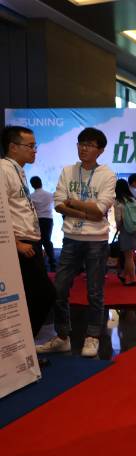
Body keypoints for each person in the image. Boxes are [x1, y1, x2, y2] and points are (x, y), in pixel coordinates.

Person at [36, 127, 116, 358]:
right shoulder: (68, 171)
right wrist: (86, 212)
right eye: (81, 143)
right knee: (59, 288)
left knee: (94, 291)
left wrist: (73, 203)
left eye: (90, 145)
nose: (84, 148)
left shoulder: (107, 175)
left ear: (100, 150)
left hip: (96, 240)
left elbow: (100, 209)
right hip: (70, 238)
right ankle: (62, 337)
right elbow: (59, 204)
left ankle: (93, 336)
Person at [1, 126, 55, 337]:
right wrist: (16, 243)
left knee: (32, 296)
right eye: (30, 146)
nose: (34, 150)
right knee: (44, 294)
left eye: (35, 146)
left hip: (29, 241)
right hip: (18, 243)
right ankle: (23, 343)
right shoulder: (3, 170)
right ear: (13, 147)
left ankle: (24, 346)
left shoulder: (18, 170)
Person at [114, 179, 136, 286]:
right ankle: (123, 275)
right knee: (130, 255)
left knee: (128, 257)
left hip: (126, 230)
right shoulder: (133, 200)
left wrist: (118, 228)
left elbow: (118, 219)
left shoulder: (118, 202)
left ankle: (132, 279)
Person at [29, 175, 56, 271]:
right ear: (41, 183)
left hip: (37, 220)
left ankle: (41, 264)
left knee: (38, 241)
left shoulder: (30, 197)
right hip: (48, 220)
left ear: (32, 185)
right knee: (47, 241)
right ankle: (53, 263)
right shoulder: (50, 195)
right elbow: (55, 206)